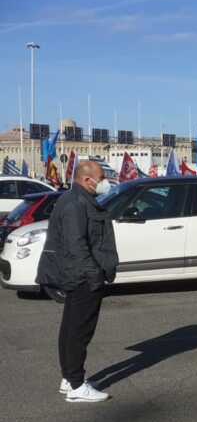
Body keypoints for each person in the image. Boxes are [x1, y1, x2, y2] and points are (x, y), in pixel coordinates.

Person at [38, 161, 117, 403]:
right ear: (86, 180)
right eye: (102, 177)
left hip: (79, 274)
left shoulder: (78, 199)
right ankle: (76, 385)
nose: (106, 182)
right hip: (82, 277)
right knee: (79, 331)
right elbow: (77, 245)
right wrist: (94, 275)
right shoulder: (75, 203)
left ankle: (69, 377)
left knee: (72, 328)